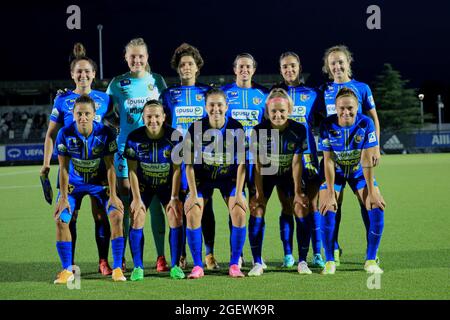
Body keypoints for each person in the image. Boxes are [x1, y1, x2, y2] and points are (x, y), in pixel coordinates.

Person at [40, 43, 113, 275]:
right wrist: (45, 163)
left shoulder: (105, 99)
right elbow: (51, 134)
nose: (83, 75)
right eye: (78, 71)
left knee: (101, 215)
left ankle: (103, 261)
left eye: (87, 71)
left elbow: (115, 128)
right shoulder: (62, 100)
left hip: (99, 169)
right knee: (69, 217)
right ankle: (69, 265)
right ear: (72, 75)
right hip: (72, 172)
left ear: (94, 74)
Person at [106, 38, 169, 272]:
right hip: (124, 151)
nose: (137, 60)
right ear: (126, 58)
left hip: (152, 151)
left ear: (147, 57)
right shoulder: (117, 83)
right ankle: (121, 257)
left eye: (141, 56)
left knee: (153, 205)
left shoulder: (157, 81)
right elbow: (104, 112)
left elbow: (166, 112)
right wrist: (119, 126)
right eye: (132, 56)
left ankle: (161, 256)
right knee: (125, 205)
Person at [319, 45, 381, 266]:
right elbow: (315, 121)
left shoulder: (362, 88)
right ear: (328, 66)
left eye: (341, 61)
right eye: (332, 62)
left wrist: (375, 146)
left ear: (349, 63)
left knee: (368, 201)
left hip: (358, 156)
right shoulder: (323, 90)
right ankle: (333, 249)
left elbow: (373, 118)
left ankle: (371, 254)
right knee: (333, 202)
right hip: (334, 157)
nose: (337, 66)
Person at [53, 95, 126, 284]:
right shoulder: (64, 133)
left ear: (95, 115)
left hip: (99, 183)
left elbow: (111, 166)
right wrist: (62, 197)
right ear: (73, 113)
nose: (83, 117)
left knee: (117, 215)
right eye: (79, 113)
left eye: (87, 113)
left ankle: (117, 268)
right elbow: (62, 168)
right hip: (73, 184)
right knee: (62, 219)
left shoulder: (106, 133)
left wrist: (114, 195)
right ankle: (68, 270)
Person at [160, 43, 214, 269]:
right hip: (178, 159)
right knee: (180, 207)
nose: (186, 68)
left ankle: (209, 253)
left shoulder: (207, 93)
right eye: (182, 65)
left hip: (204, 159)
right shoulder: (169, 94)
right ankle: (181, 254)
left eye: (190, 64)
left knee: (205, 207)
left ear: (197, 67)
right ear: (177, 68)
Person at [183, 88, 247, 279]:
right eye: (211, 104)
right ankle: (197, 265)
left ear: (226, 106)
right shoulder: (195, 128)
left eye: (220, 104)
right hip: (203, 179)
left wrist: (238, 193)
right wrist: (193, 193)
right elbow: (188, 165)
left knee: (239, 211)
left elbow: (243, 164)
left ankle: (235, 264)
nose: (216, 108)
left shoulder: (237, 127)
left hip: (228, 179)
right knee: (193, 212)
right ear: (205, 107)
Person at [248, 88, 310, 276]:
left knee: (298, 208)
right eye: (274, 111)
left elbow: (297, 162)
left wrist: (298, 190)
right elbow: (258, 165)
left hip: (288, 174)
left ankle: (302, 261)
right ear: (268, 111)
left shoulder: (298, 129)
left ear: (289, 110)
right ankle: (257, 262)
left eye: (282, 111)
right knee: (257, 209)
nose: (278, 115)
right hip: (265, 174)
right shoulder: (258, 130)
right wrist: (258, 193)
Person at [273, 52, 324, 268]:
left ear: (299, 67)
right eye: (285, 66)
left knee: (312, 206)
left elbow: (326, 121)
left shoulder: (313, 93)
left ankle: (318, 253)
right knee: (287, 206)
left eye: (292, 66)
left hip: (308, 158)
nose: (289, 70)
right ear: (281, 69)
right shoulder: (273, 94)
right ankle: (288, 254)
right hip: (282, 159)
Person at [125, 100, 185, 281]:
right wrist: (136, 198)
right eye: (149, 116)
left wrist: (174, 197)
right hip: (144, 186)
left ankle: (175, 266)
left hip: (167, 186)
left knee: (175, 215)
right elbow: (132, 171)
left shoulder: (175, 137)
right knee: (137, 216)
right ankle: (138, 267)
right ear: (143, 117)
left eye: (157, 116)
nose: (153, 120)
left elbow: (177, 170)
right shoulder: (134, 138)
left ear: (164, 117)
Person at [221, 53, 269, 269]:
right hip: (232, 161)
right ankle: (236, 256)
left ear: (254, 69)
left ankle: (257, 256)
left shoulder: (263, 95)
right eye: (240, 66)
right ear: (234, 69)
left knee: (257, 206)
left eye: (248, 66)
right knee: (236, 208)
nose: (244, 70)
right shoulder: (224, 94)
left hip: (257, 160)